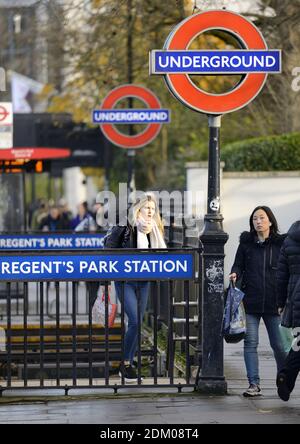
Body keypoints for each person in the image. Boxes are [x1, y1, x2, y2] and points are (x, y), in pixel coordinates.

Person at [104, 193, 166, 383]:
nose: (150, 212)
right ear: (138, 208)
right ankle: (126, 362)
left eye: (153, 209)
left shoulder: (155, 229)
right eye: (147, 208)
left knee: (137, 322)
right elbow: (108, 248)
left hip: (144, 279)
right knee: (136, 320)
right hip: (125, 280)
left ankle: (127, 363)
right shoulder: (125, 225)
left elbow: (161, 254)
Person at [229, 205, 287, 397]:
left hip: (274, 303)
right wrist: (235, 273)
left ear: (270, 221)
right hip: (250, 302)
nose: (258, 221)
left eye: (262, 218)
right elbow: (238, 263)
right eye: (255, 219)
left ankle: (283, 378)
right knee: (250, 343)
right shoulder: (246, 243)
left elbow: (287, 270)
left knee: (279, 345)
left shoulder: (281, 244)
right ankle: (253, 383)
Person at [276, 220, 300, 401]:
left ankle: (286, 376)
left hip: (295, 299)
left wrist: (281, 302)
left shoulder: (290, 238)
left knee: (298, 344)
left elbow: (281, 275)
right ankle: (286, 376)